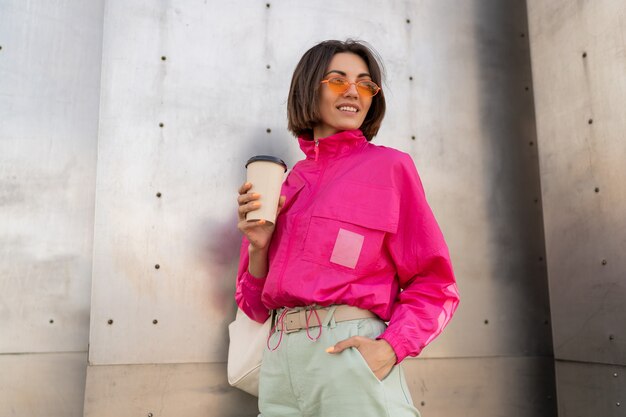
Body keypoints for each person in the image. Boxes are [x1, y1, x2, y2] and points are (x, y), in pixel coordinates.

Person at [235, 39, 460, 417]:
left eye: (365, 84)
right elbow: (255, 307)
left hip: (349, 357)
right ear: (310, 88)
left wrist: (388, 349)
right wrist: (258, 246)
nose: (354, 92)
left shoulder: (391, 169)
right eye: (338, 81)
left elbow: (436, 285)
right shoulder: (285, 186)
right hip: (278, 365)